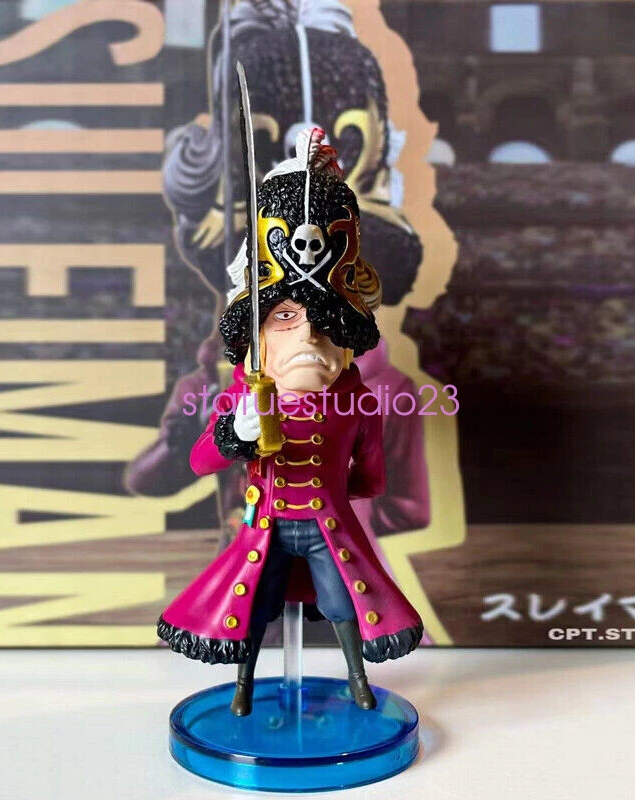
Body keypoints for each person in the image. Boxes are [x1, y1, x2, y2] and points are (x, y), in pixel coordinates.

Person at [157, 129, 423, 716]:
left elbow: (370, 479)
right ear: (257, 333)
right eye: (285, 318)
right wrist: (236, 435)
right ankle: (244, 685)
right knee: (255, 607)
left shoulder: (358, 402)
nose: (307, 336)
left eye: (323, 326)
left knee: (343, 604)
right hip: (267, 525)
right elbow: (201, 459)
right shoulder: (246, 394)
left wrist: (340, 486)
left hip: (327, 527)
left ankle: (357, 680)